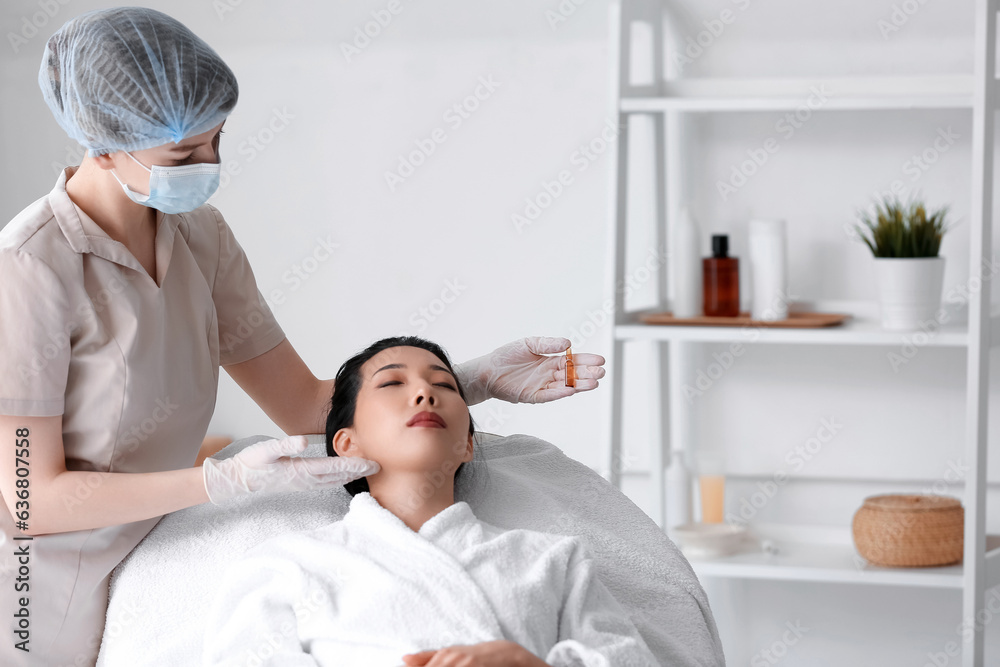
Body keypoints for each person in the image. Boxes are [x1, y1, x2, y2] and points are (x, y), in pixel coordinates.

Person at [0, 8, 606, 667]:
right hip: (35, 589)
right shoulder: (30, 267)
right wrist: (220, 482)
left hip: (154, 553)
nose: (210, 165)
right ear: (103, 146)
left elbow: (307, 406)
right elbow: (33, 502)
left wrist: (471, 380)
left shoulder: (202, 239)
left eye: (217, 141)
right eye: (184, 156)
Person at [203, 337, 655, 667]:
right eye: (391, 383)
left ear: (468, 445)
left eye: (445, 384)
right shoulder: (286, 567)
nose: (425, 393)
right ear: (345, 443)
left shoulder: (551, 561)